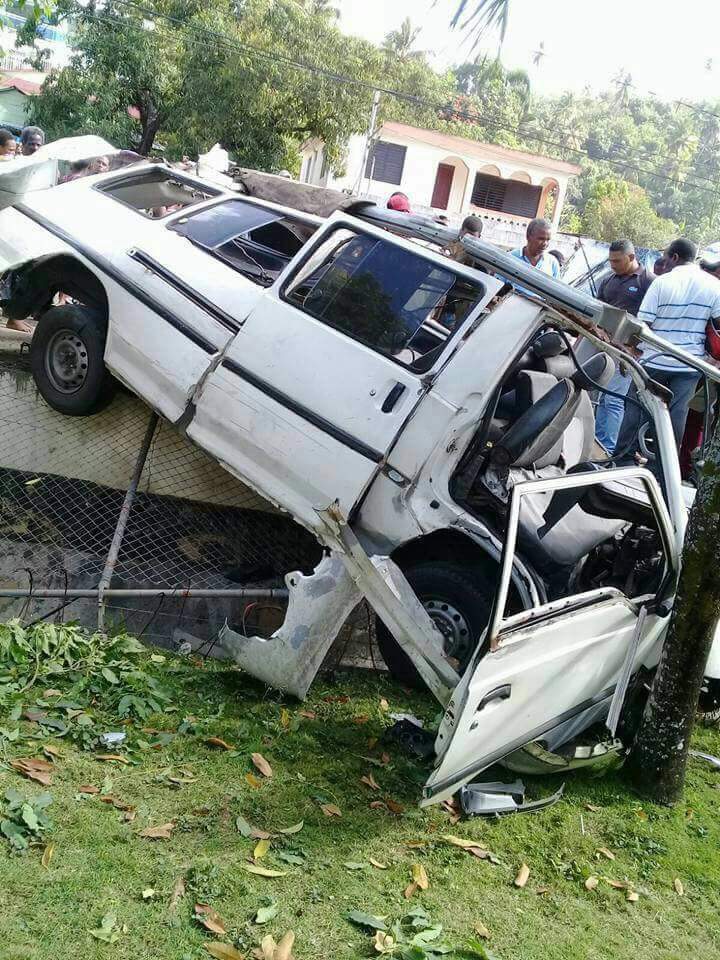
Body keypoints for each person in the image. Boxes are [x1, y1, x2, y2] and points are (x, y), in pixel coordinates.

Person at [615, 238, 720, 458]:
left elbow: (642, 325)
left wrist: (630, 351)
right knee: (676, 418)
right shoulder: (713, 286)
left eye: (665, 257)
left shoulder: (662, 283)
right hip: (689, 366)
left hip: (654, 361)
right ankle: (664, 470)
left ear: (674, 257)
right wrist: (713, 361)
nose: (663, 262)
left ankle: (622, 460)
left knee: (636, 409)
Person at [594, 240, 655, 452]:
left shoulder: (648, 282)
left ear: (631, 257)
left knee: (613, 400)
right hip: (604, 347)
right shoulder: (608, 280)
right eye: (610, 261)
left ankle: (608, 449)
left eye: (617, 261)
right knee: (601, 397)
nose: (612, 264)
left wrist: (635, 348)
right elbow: (598, 309)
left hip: (628, 352)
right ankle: (598, 443)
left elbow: (651, 322)